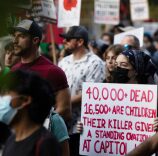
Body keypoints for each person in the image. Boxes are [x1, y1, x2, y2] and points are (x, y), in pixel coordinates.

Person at [58, 25, 105, 156]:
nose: (64, 42)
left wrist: (63, 103)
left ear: (80, 42)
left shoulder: (95, 63)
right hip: (62, 126)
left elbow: (91, 94)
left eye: (68, 39)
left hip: (81, 128)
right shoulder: (63, 62)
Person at [11, 19, 71, 121]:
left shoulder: (54, 72)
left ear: (35, 40)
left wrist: (35, 126)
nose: (15, 41)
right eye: (14, 36)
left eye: (21, 36)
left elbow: (65, 110)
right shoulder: (13, 71)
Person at [0, 70, 61, 156]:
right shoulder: (10, 140)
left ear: (25, 100)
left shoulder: (46, 143)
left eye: (5, 93)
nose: (1, 98)